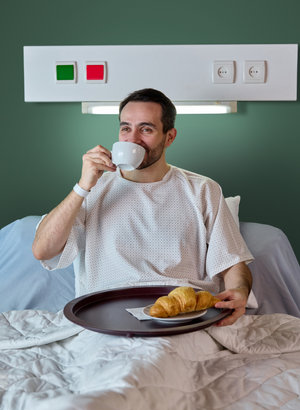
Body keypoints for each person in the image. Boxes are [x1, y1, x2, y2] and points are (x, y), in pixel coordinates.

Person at [32, 88, 253, 327]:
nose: (133, 139)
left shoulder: (202, 190)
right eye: (126, 128)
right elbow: (43, 250)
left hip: (182, 316)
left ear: (169, 137)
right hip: (107, 315)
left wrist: (239, 291)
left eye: (146, 129)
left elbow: (232, 263)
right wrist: (83, 186)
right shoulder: (93, 189)